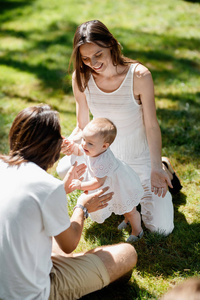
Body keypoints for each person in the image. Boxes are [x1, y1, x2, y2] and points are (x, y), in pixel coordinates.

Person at [57, 19, 182, 236]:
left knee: (161, 229)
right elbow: (82, 126)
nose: (93, 63)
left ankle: (162, 166)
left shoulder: (139, 76)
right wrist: (70, 142)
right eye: (86, 58)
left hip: (138, 158)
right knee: (64, 168)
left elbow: (152, 126)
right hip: (104, 158)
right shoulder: (81, 77)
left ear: (111, 45)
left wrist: (153, 167)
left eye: (98, 54)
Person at [0, 104, 137, 300]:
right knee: (127, 252)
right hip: (30, 292)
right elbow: (69, 245)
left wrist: (61, 190)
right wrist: (82, 207)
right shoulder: (46, 186)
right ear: (50, 145)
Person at [67, 117, 144, 243]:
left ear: (104, 146)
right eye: (84, 139)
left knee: (129, 208)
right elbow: (79, 150)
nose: (84, 144)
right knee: (123, 205)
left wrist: (81, 185)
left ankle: (137, 231)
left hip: (120, 184)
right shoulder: (91, 147)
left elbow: (98, 182)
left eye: (89, 143)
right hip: (112, 182)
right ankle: (127, 220)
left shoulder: (103, 160)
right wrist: (71, 146)